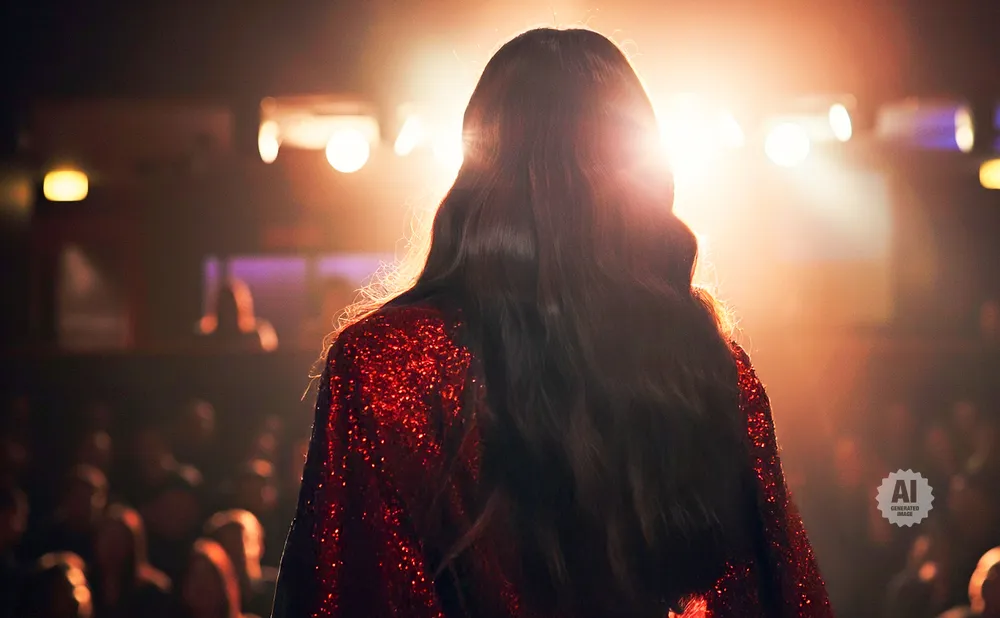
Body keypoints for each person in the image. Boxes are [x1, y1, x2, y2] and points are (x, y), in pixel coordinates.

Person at [273, 27, 831, 618]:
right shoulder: (703, 367)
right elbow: (767, 595)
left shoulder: (387, 361)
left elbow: (349, 592)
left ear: (479, 161)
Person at [89, 505, 171, 618]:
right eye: (107, 538)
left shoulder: (153, 593)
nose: (112, 547)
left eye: (119, 540)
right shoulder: (85, 584)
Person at [197, 279, 278, 353]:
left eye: (231, 307)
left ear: (241, 308)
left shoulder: (254, 338)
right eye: (224, 307)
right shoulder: (205, 341)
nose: (227, 313)